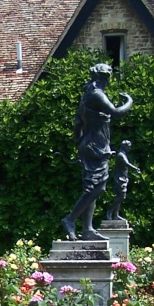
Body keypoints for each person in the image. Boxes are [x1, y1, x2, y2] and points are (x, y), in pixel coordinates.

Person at [61, 63, 133, 241]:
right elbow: (116, 112)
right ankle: (70, 219)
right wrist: (129, 101)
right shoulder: (96, 94)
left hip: (91, 145)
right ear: (105, 78)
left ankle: (87, 229)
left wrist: (79, 141)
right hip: (96, 147)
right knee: (99, 187)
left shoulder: (87, 95)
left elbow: (78, 122)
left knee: (92, 187)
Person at [105, 140, 141, 223]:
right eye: (128, 146)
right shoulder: (121, 155)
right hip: (119, 178)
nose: (130, 148)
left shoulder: (123, 154)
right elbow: (126, 163)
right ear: (124, 146)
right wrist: (135, 169)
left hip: (123, 178)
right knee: (121, 196)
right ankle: (110, 211)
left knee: (120, 197)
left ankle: (116, 215)